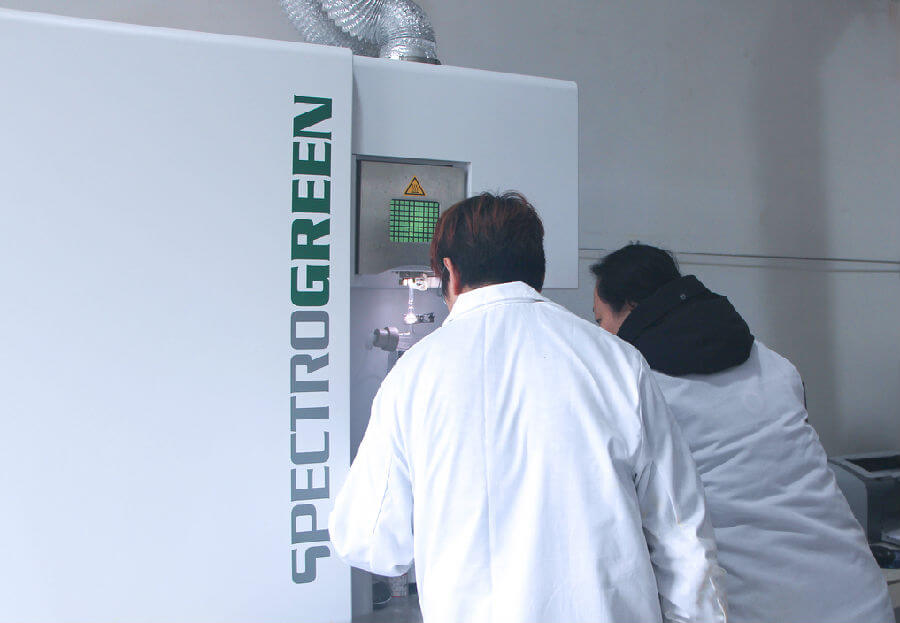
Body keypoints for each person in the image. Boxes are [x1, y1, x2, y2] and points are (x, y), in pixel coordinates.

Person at [330, 193, 727, 623]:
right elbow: (683, 532)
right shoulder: (616, 361)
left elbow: (370, 542)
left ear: (450, 272)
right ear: (537, 271)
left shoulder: (412, 376)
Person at [590, 243, 894, 623]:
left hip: (763, 607)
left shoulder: (636, 391)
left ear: (631, 307)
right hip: (859, 595)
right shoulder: (775, 365)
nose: (599, 334)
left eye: (600, 320)